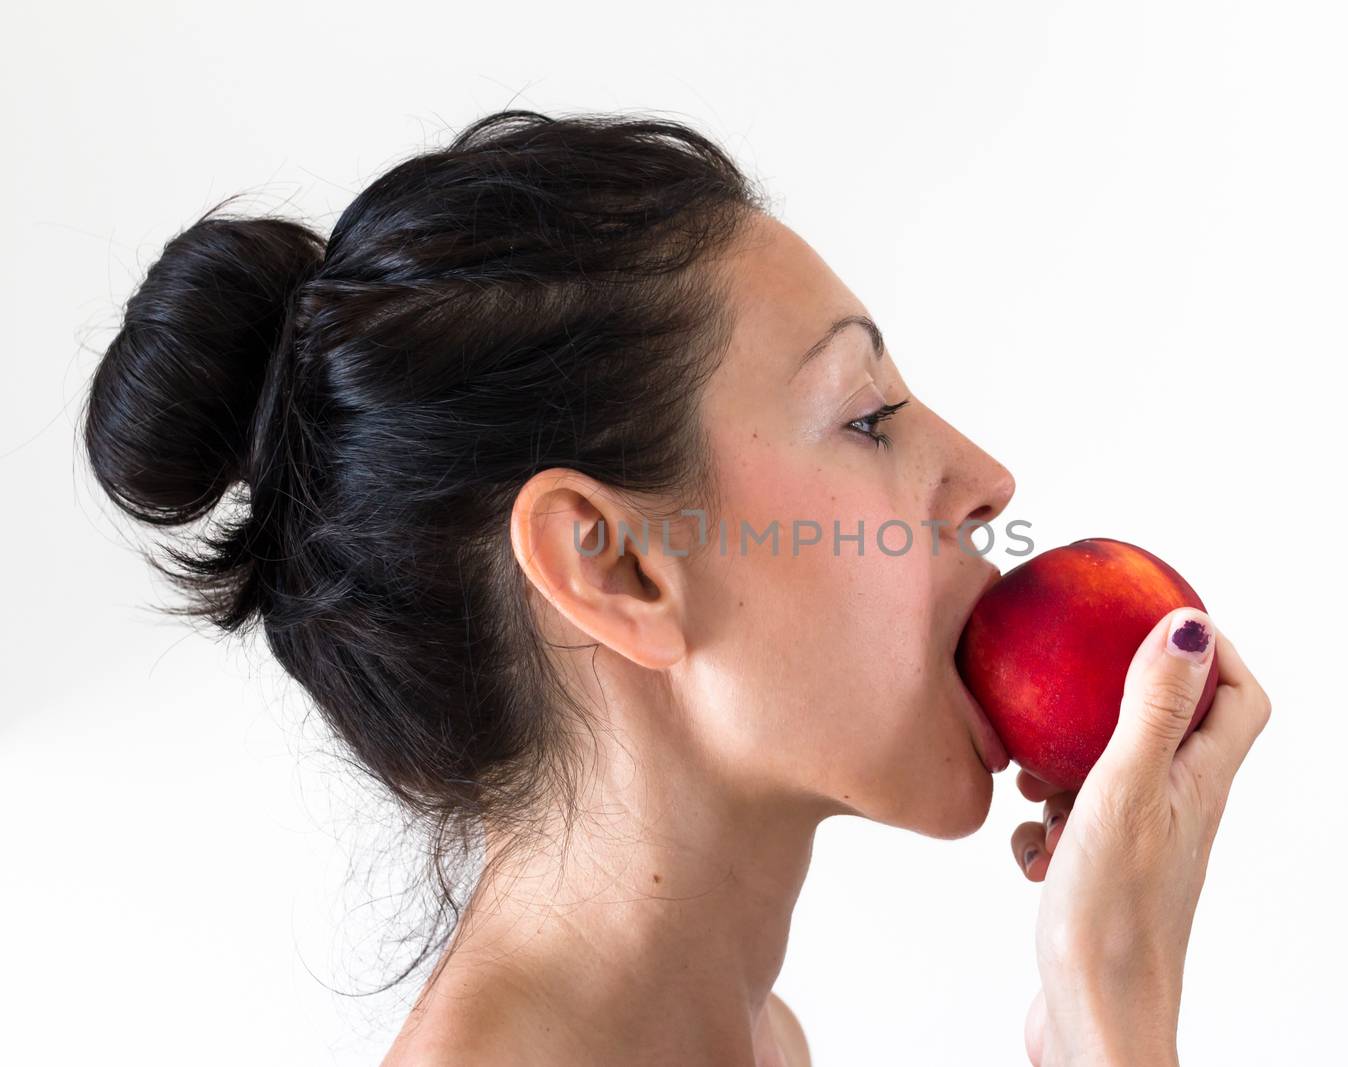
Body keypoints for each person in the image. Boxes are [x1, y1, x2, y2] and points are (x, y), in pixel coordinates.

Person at [80, 108, 1271, 1066]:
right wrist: (1121, 1018)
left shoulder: (760, 1042)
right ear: (615, 564)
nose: (984, 478)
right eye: (866, 417)